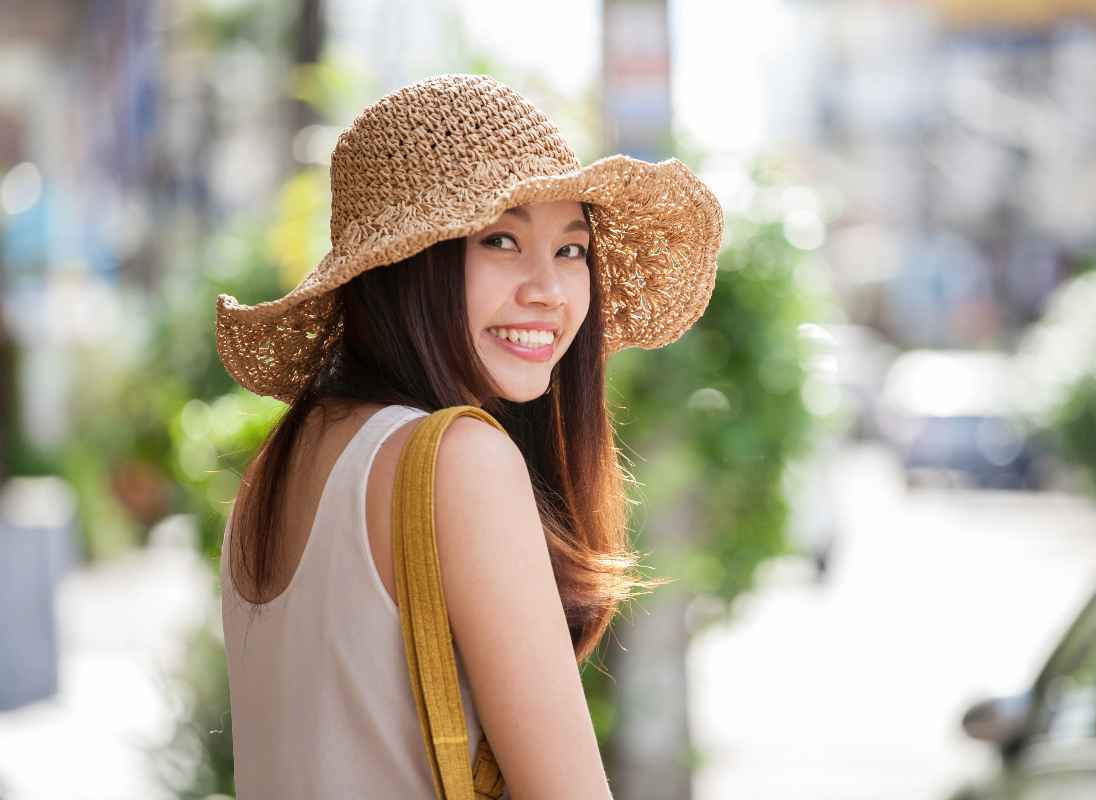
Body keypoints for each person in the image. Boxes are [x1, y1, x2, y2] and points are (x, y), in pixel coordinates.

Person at [213, 73, 723, 800]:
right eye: (501, 239)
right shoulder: (460, 460)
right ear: (405, 263)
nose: (547, 288)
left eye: (572, 250)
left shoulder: (282, 463)